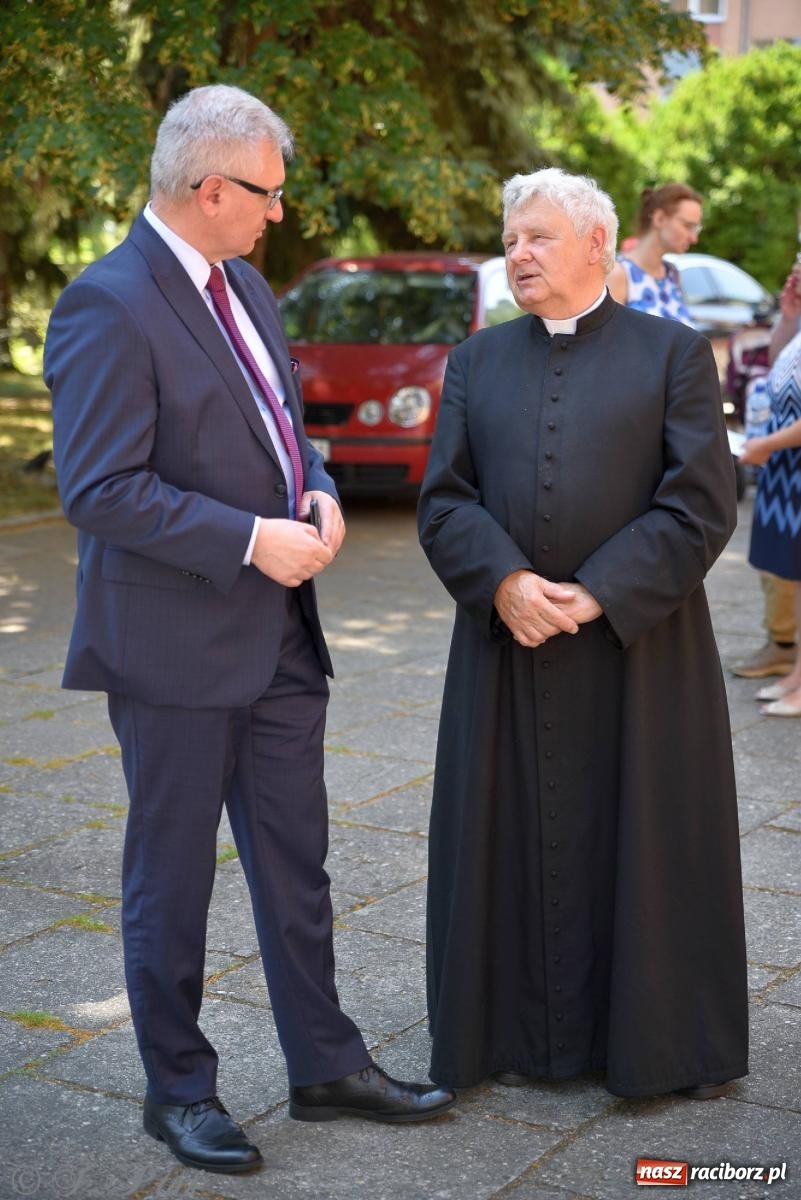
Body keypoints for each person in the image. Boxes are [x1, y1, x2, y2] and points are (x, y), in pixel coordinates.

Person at [44, 84, 454, 1176]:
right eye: (269, 195)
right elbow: (97, 488)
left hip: (279, 638)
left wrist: (315, 490)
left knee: (297, 866)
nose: (281, 214)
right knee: (170, 880)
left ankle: (327, 1065)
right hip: (174, 647)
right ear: (211, 188)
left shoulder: (250, 290)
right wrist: (248, 540)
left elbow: (286, 430)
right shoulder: (107, 302)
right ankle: (178, 1091)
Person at [417, 167, 748, 1100]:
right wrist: (506, 581)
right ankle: (502, 1034)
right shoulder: (476, 362)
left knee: (644, 837)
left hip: (636, 654)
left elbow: (699, 503)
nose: (516, 254)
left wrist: (597, 592)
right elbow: (444, 502)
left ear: (597, 245)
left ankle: (660, 1043)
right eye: (510, 238)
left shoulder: (675, 354)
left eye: (538, 237)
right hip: (505, 645)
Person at [740, 260, 801, 715]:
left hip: (787, 456)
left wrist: (766, 445)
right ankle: (796, 673)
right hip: (785, 466)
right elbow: (779, 360)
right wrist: (789, 312)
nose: (795, 271)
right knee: (791, 574)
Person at [607, 182, 702, 323]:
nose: (694, 238)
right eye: (688, 226)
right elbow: (607, 341)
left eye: (696, 229)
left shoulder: (672, 274)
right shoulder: (618, 275)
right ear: (659, 219)